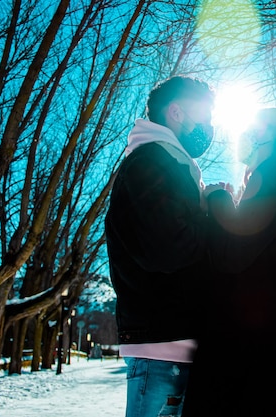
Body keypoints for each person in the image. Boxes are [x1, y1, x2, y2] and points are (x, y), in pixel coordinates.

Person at [182, 107, 276, 417]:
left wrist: (217, 197)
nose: (248, 136)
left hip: (247, 342)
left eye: (257, 130)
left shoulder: (270, 175)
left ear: (275, 138)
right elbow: (253, 243)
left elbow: (231, 255)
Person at [104, 75, 215, 417]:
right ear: (177, 113)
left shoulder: (169, 163)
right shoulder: (150, 162)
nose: (209, 126)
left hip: (172, 341)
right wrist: (214, 216)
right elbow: (167, 247)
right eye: (205, 115)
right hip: (163, 346)